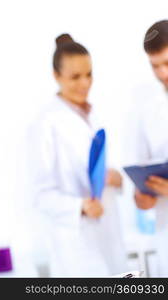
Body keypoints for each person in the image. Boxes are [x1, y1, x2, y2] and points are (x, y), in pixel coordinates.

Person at [26, 34, 128, 277]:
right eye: (75, 77)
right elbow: (41, 195)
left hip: (110, 235)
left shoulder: (95, 114)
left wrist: (116, 177)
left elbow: (99, 166)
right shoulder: (46, 123)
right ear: (56, 76)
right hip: (76, 246)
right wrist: (79, 207)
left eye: (89, 74)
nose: (85, 83)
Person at [127, 20, 168, 276]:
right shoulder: (148, 111)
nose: (163, 73)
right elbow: (141, 169)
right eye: (155, 66)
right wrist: (141, 198)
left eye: (167, 63)